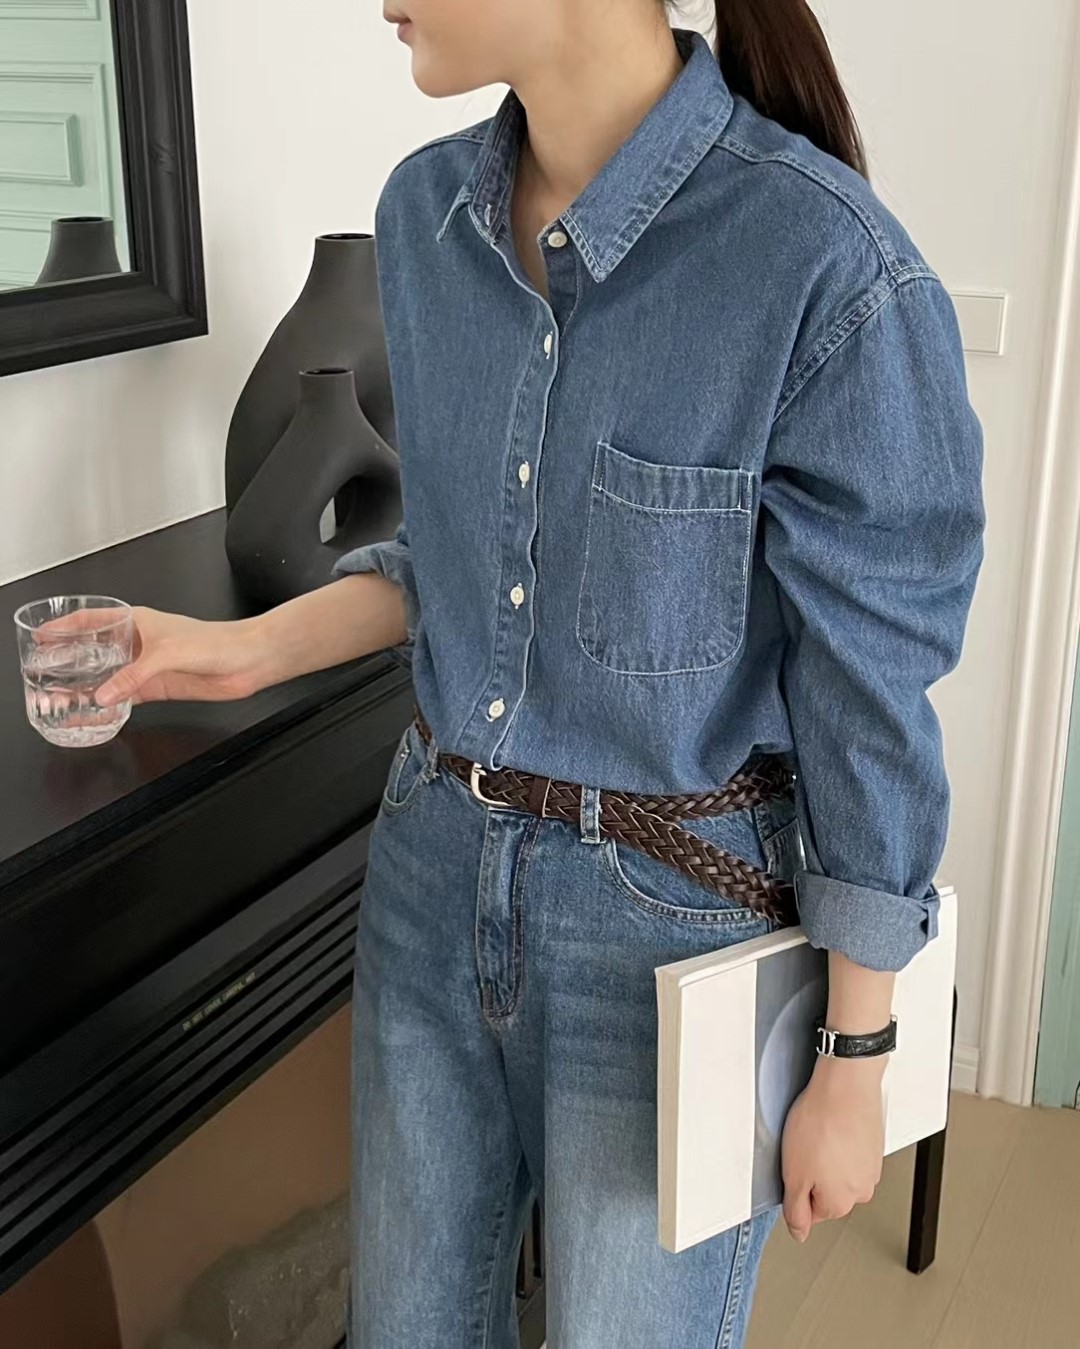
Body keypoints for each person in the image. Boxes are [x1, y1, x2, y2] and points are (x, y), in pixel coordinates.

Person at [94, 2, 986, 1345]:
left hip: (670, 926)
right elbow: (459, 564)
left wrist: (855, 1056)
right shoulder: (425, 220)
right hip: (429, 870)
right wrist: (226, 654)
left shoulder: (823, 265)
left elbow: (869, 692)